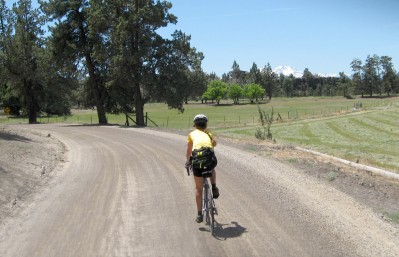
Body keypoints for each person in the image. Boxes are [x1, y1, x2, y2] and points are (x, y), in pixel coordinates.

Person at [185, 114, 220, 223]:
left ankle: (200, 214)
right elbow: (213, 145)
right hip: (208, 159)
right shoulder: (209, 134)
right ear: (205, 124)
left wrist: (187, 161)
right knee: (212, 167)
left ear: (195, 125)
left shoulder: (191, 134)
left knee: (198, 189)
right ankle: (214, 186)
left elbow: (189, 151)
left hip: (197, 161)